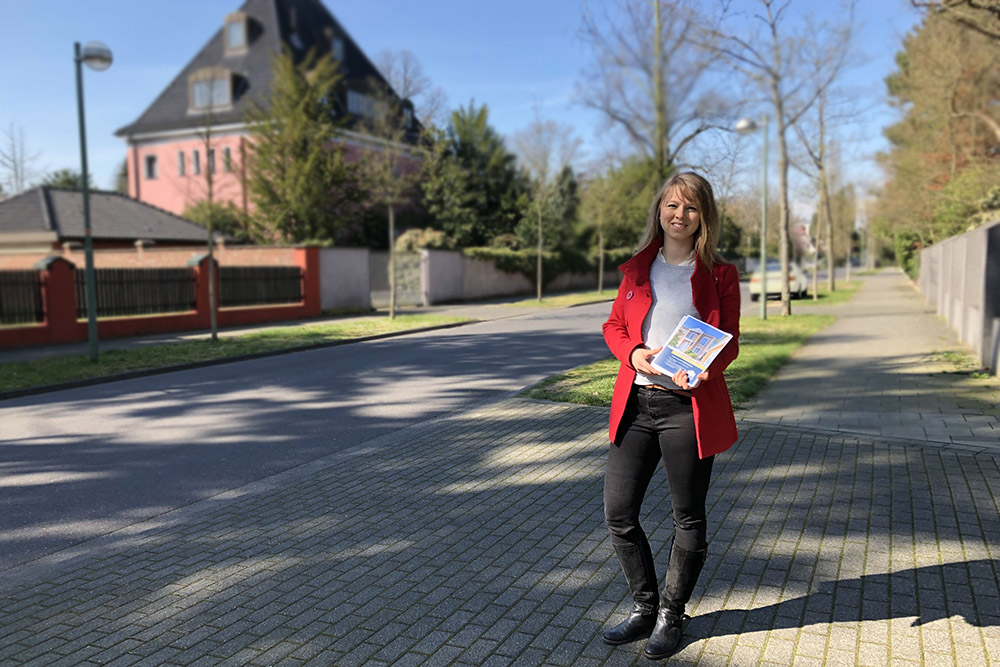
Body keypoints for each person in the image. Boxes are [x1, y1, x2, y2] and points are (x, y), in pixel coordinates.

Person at [600, 171, 740, 660]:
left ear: (704, 216)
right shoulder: (638, 268)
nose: (679, 216)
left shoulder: (720, 273)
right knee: (618, 514)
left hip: (687, 408)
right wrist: (634, 354)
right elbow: (614, 325)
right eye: (672, 206)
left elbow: (730, 344)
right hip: (637, 404)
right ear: (659, 210)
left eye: (691, 208)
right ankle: (644, 607)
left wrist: (702, 371)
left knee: (688, 516)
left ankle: (671, 614)